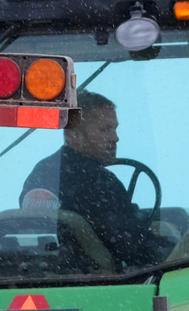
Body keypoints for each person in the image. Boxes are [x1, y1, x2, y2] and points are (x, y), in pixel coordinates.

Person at [21, 92, 172, 268]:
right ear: (74, 135)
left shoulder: (43, 172)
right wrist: (172, 247)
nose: (115, 138)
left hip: (52, 270)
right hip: (100, 278)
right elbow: (129, 246)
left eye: (114, 129)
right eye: (105, 129)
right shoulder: (99, 182)